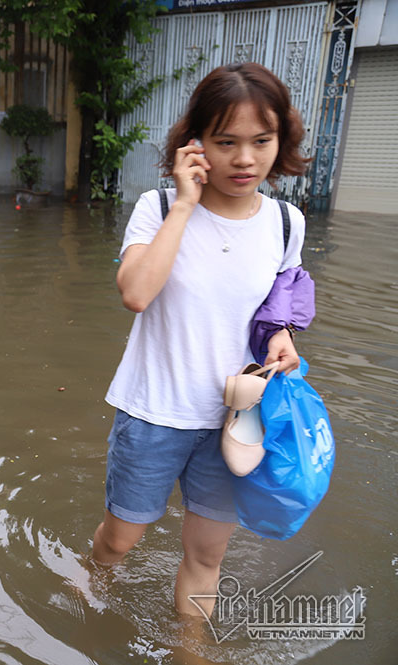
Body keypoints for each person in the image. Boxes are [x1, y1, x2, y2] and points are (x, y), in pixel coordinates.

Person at [90, 62, 310, 618]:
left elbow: (273, 305)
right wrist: (186, 204)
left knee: (207, 556)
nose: (244, 159)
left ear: (281, 140)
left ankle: (193, 652)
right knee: (121, 540)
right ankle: (91, 589)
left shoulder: (287, 222)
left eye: (261, 141)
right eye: (226, 141)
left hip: (236, 419)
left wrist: (281, 337)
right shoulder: (158, 208)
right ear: (197, 143)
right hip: (154, 412)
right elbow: (136, 294)